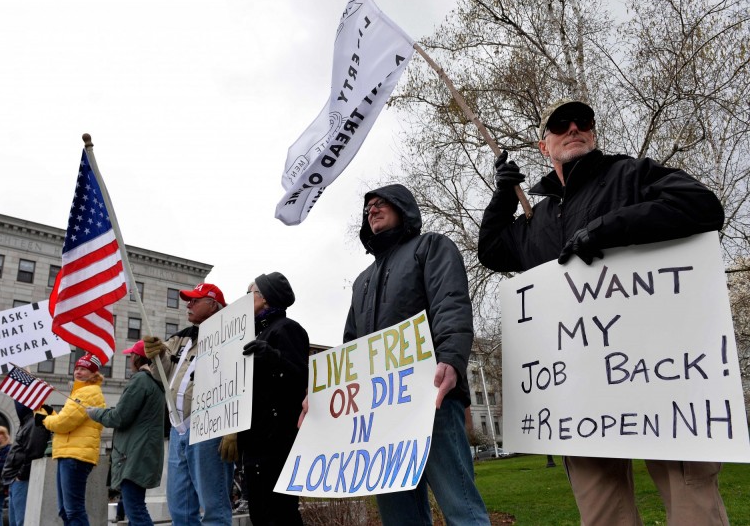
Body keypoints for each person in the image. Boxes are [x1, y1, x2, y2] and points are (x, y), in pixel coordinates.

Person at [477, 99, 727, 525]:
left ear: (592, 134)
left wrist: (609, 228)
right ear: (545, 146)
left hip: (660, 373)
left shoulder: (629, 174)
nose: (573, 127)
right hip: (581, 392)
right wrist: (503, 196)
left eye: (583, 122)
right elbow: (492, 250)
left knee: (692, 499)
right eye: (560, 124)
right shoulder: (535, 220)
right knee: (601, 509)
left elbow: (703, 207)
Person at [332, 184, 491, 525]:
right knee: (400, 517)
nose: (371, 210)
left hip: (431, 397)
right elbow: (350, 347)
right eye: (367, 208)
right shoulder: (361, 281)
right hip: (381, 414)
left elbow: (450, 303)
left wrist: (451, 358)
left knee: (460, 507)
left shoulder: (431, 247)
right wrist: (327, 396)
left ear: (402, 207)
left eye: (380, 204)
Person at [219, 272, 309, 525]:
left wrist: (273, 356)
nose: (246, 299)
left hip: (276, 440)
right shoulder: (255, 334)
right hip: (256, 438)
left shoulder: (287, 329)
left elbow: (301, 376)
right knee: (260, 511)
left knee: (279, 511)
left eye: (250, 293)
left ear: (266, 298)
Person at [143, 282, 234, 525]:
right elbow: (161, 375)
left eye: (195, 300)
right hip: (178, 427)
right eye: (188, 300)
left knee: (214, 506)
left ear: (213, 305)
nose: (188, 304)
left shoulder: (234, 331)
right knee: (179, 508)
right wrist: (157, 355)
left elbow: (239, 380)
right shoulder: (181, 337)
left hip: (209, 426)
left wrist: (233, 428)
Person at [85, 340, 165, 526]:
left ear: (137, 357)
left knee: (135, 509)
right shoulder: (154, 381)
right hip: (142, 453)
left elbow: (119, 417)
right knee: (134, 508)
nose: (129, 359)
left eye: (131, 355)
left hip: (134, 454)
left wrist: (95, 412)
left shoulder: (140, 380)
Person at [35, 352, 106, 526]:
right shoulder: (81, 392)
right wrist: (50, 413)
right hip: (69, 454)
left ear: (93, 374)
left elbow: (64, 424)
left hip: (76, 456)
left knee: (73, 510)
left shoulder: (88, 392)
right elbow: (67, 420)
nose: (78, 372)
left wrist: (44, 419)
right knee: (66, 510)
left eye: (83, 369)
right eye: (77, 368)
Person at [1, 399, 52, 526]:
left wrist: (20, 475)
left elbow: (34, 453)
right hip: (15, 479)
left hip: (22, 479)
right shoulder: (26, 423)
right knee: (15, 521)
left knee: (22, 520)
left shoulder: (34, 422)